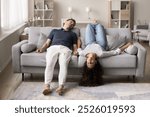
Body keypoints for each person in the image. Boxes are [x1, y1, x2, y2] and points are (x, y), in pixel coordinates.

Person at [78, 20, 135, 86]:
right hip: (101, 44)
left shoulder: (83, 53)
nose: (90, 60)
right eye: (92, 62)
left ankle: (94, 22)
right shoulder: (101, 54)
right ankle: (95, 23)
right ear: (95, 62)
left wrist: (78, 42)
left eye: (88, 62)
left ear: (86, 61)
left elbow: (78, 49)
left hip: (89, 42)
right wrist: (127, 45)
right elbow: (115, 52)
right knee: (99, 26)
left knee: (89, 25)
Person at [36, 18, 78, 95]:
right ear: (65, 22)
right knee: (49, 64)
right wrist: (42, 49)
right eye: (70, 21)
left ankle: (61, 87)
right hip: (53, 48)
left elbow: (75, 46)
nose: (72, 23)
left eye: (73, 24)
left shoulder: (73, 34)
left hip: (65, 49)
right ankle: (47, 86)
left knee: (63, 65)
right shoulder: (54, 31)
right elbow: (47, 43)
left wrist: (75, 51)